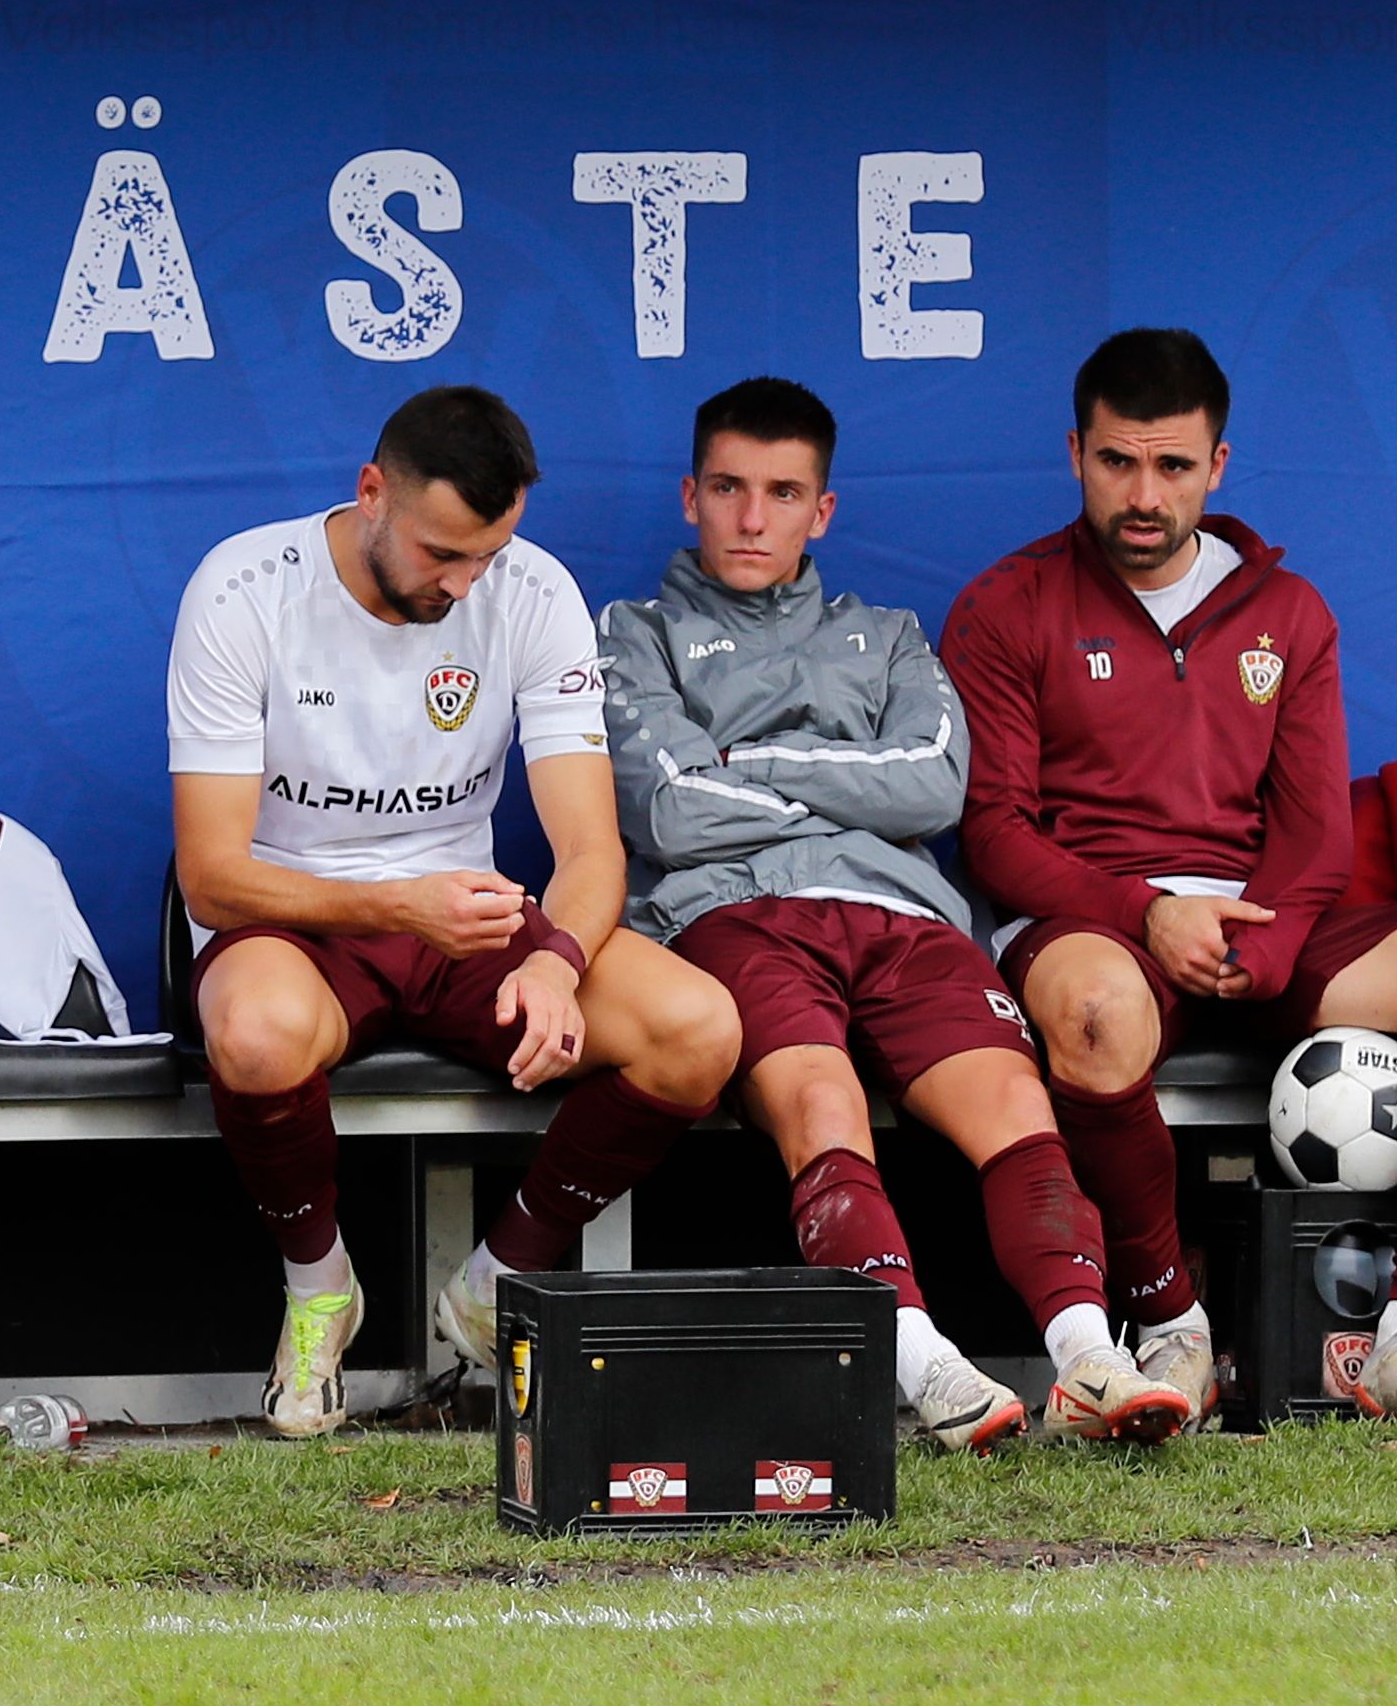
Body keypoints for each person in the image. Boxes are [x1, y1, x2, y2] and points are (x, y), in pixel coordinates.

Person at [942, 328, 1397, 1430]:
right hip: (1097, 913)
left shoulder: (1288, 611)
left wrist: (1256, 944)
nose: (1142, 492)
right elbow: (993, 835)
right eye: (1116, 461)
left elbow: (1315, 830)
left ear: (1217, 466)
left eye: (1171, 466)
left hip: (1264, 915)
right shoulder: (1005, 604)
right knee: (1089, 1006)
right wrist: (1146, 912)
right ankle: (1170, 1318)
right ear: (1074, 452)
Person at [599, 377, 1181, 1447]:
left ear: (821, 509)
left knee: (1012, 1098)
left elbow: (930, 786)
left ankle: (1088, 1355)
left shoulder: (889, 632)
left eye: (781, 492)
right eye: (727, 487)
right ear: (689, 495)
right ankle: (924, 1361)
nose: (751, 516)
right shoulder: (633, 633)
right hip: (734, 910)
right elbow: (670, 809)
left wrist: (750, 761)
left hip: (902, 917)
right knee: (821, 1097)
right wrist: (840, 774)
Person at [171, 385, 740, 1439]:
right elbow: (210, 874)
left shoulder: (530, 590)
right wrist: (397, 903)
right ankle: (318, 1289)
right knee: (252, 1032)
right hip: (298, 917)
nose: (464, 581)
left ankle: (497, 1279)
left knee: (697, 1026)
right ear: (370, 491)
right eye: (442, 553)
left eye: (486, 554)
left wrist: (558, 962)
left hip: (463, 919)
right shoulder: (243, 588)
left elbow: (587, 849)